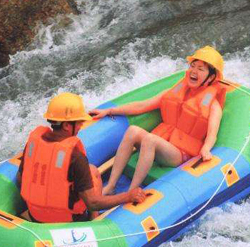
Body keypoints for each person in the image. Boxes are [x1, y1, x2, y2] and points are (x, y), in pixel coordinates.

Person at [89, 46, 227, 195]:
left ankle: (131, 191)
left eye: (201, 69)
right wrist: (109, 111)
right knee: (133, 131)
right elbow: (142, 106)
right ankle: (111, 185)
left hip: (180, 153)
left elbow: (212, 133)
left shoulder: (213, 106)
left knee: (150, 139)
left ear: (211, 77)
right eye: (192, 66)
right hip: (162, 142)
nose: (194, 71)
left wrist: (206, 149)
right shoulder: (175, 91)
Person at [17, 93, 146, 223]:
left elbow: (20, 179)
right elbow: (93, 203)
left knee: (90, 170)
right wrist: (128, 196)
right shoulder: (75, 157)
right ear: (67, 126)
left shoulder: (32, 145)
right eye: (79, 122)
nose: (80, 126)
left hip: (35, 215)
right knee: (94, 174)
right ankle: (94, 221)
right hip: (66, 221)